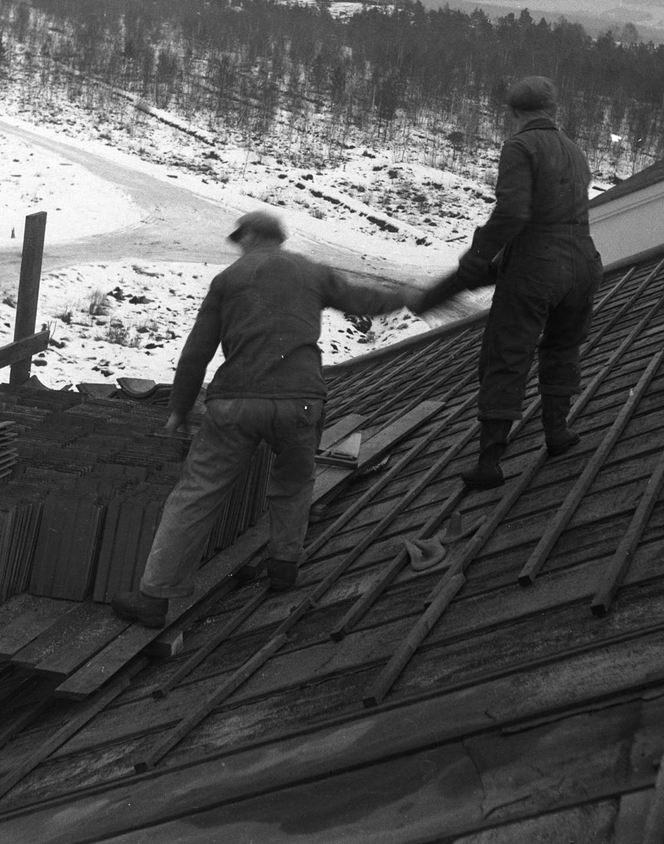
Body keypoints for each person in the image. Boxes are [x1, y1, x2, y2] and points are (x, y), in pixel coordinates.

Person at [112, 210, 412, 629]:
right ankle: (284, 566)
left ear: (251, 236)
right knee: (293, 482)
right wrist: (408, 295)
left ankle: (154, 597)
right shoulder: (311, 272)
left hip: (237, 402)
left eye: (241, 239)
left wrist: (179, 408)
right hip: (301, 401)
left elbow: (197, 351)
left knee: (197, 494)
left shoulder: (229, 280)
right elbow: (365, 301)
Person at [412, 76, 603, 489]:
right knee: (563, 346)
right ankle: (557, 433)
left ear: (513, 112)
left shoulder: (519, 147)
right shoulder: (575, 150)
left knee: (506, 355)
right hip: (584, 262)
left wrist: (476, 259)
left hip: (537, 267)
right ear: (552, 110)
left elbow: (514, 213)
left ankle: (490, 462)